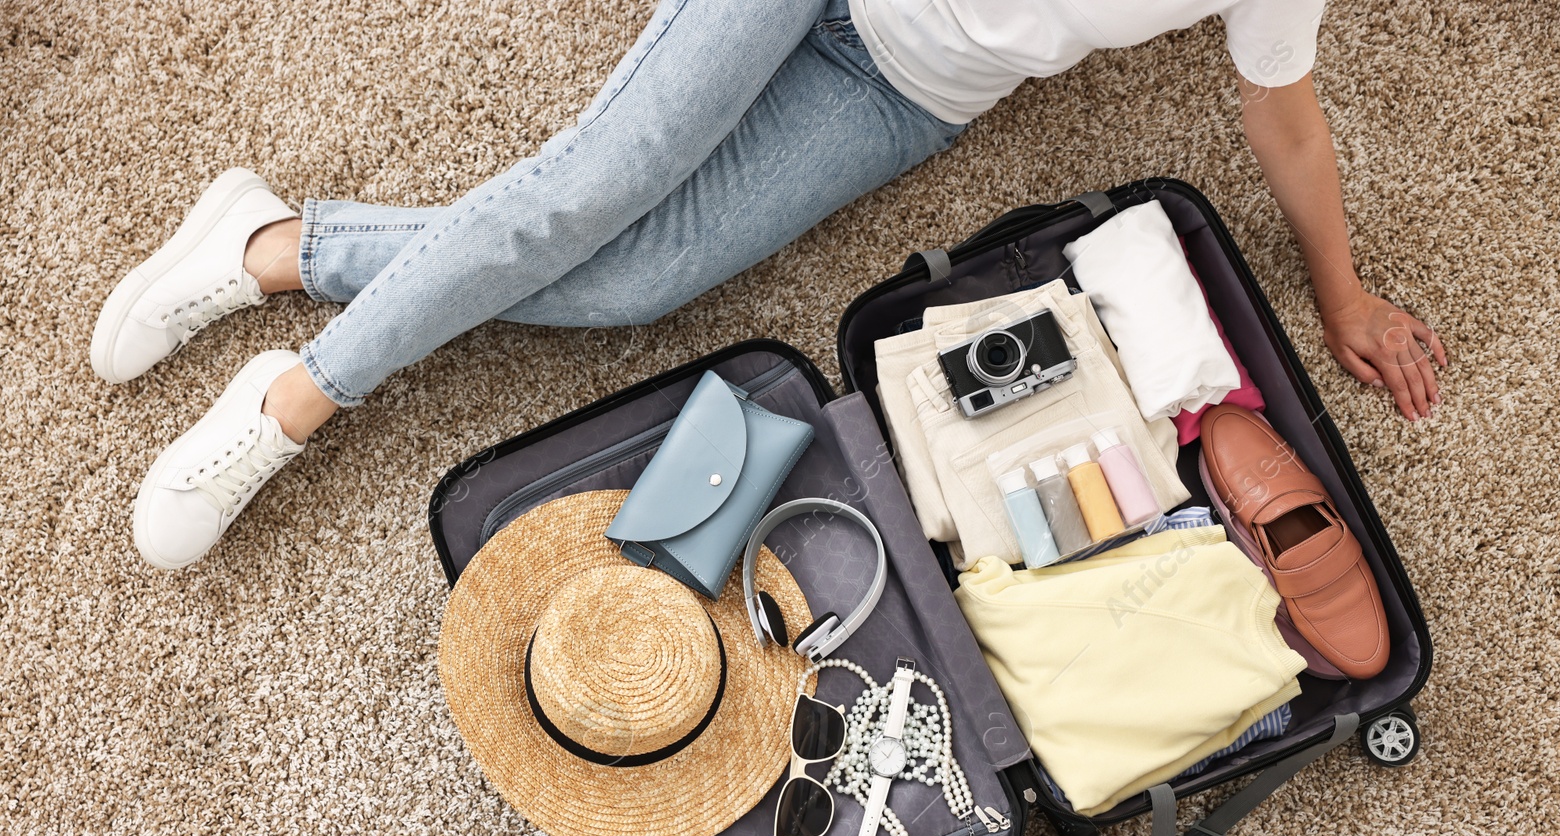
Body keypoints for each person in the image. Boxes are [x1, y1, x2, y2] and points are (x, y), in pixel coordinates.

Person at [94, 0, 1448, 570]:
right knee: (588, 190)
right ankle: (293, 403)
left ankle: (278, 249)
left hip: (905, 88)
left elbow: (1288, 117)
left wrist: (1341, 295)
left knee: (639, 281)